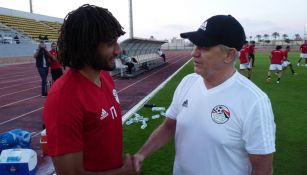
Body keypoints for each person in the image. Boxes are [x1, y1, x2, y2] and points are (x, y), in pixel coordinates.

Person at [133, 15, 276, 175]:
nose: (194, 53)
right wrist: (141, 154)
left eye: (204, 47)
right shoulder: (188, 82)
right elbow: (169, 126)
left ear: (229, 55)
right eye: (195, 46)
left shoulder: (254, 101)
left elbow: (263, 168)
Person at [43, 4, 136, 175]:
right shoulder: (64, 99)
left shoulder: (105, 78)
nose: (118, 50)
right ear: (87, 46)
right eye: (110, 44)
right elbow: (69, 173)